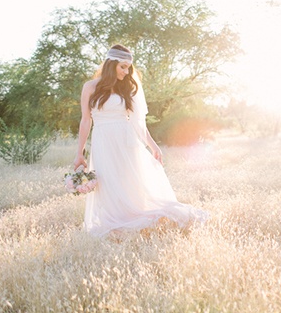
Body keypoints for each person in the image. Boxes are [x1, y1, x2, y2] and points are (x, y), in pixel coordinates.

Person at [73, 44, 208, 237]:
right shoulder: (90, 87)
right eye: (123, 67)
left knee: (130, 181)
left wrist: (153, 147)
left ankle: (137, 218)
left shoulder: (126, 88)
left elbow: (138, 124)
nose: (126, 72)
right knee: (109, 183)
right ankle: (117, 221)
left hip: (126, 140)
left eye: (129, 68)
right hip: (102, 140)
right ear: (111, 64)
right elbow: (86, 120)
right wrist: (80, 154)